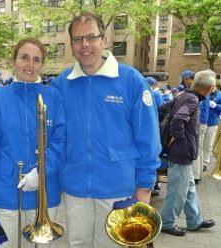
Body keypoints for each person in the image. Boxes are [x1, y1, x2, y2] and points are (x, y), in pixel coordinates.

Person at [51, 12, 161, 247]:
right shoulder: (60, 84)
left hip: (118, 188)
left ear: (104, 40)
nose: (85, 45)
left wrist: (144, 187)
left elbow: (148, 137)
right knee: (77, 243)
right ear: (71, 45)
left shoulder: (131, 79)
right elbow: (54, 136)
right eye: (78, 39)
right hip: (75, 186)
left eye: (91, 37)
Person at [0, 38, 65, 248]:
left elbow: (61, 142)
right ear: (14, 60)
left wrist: (42, 171)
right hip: (4, 190)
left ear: (42, 64)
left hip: (45, 191)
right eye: (24, 57)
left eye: (36, 59)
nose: (30, 64)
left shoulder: (54, 97)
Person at [159, 69, 216, 237]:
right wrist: (176, 136)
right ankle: (167, 222)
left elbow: (161, 109)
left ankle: (195, 220)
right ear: (210, 87)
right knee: (177, 190)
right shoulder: (192, 99)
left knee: (188, 188)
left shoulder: (184, 95)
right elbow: (178, 120)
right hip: (181, 153)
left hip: (180, 153)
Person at [202, 86, 221, 171]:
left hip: (212, 122)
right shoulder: (203, 91)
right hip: (201, 121)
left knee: (208, 144)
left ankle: (204, 162)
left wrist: (216, 106)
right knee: (199, 143)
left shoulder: (219, 94)